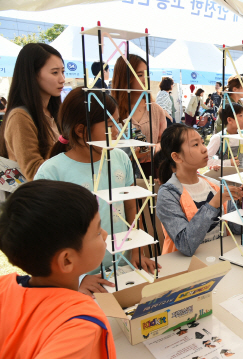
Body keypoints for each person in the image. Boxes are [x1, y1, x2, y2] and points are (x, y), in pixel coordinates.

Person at [34, 87, 159, 296]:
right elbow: (47, 236)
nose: (118, 131)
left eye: (118, 123)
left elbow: (130, 206)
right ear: (81, 131)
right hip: (81, 278)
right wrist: (78, 278)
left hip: (121, 264)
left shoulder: (119, 158)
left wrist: (137, 250)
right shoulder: (52, 171)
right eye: (110, 125)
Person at [0, 180, 116, 358]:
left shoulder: (4, 285)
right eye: (97, 232)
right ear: (67, 260)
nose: (105, 234)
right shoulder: (80, 325)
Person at [156, 124, 243, 256]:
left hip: (220, 258)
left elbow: (239, 228)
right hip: (187, 269)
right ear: (177, 157)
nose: (204, 149)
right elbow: (185, 245)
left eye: (203, 143)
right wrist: (214, 204)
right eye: (195, 145)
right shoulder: (168, 194)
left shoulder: (215, 185)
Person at [0, 43, 64, 180]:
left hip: (57, 192)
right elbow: (34, 172)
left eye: (63, 72)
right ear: (33, 74)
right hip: (39, 197)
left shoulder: (53, 112)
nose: (62, 79)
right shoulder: (20, 116)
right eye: (55, 72)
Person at [111, 54, 167, 178]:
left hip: (152, 170)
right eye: (140, 75)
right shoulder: (112, 111)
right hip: (121, 170)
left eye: (147, 75)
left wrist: (151, 149)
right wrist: (130, 154)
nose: (144, 79)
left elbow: (163, 141)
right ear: (125, 77)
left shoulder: (155, 110)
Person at [206, 103, 243, 168]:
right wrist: (228, 163)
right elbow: (206, 160)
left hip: (240, 177)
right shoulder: (218, 138)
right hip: (224, 176)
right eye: (241, 116)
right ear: (229, 120)